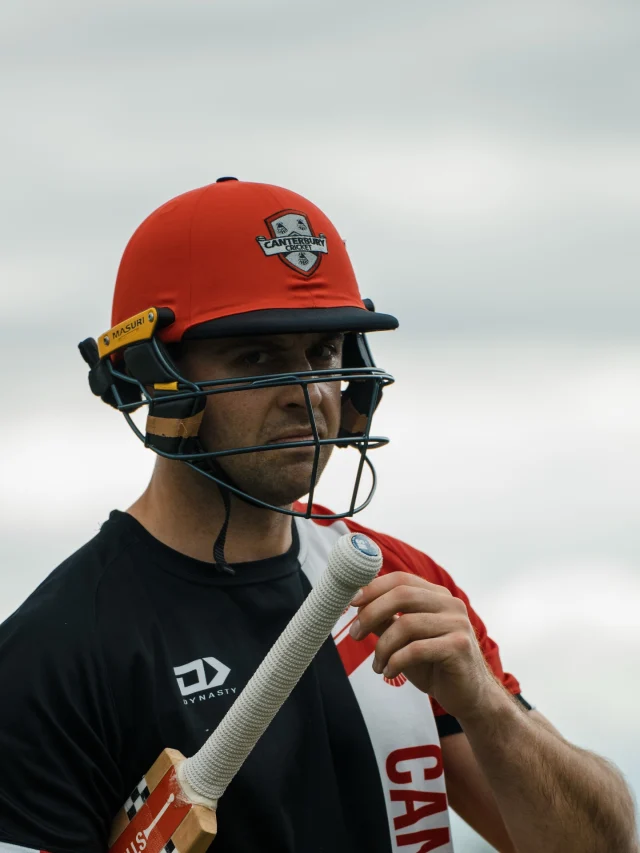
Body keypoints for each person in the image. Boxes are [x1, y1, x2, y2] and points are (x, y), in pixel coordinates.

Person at [0, 178, 636, 853]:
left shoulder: (399, 582)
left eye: (325, 353)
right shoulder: (54, 658)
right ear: (154, 375)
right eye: (256, 357)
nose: (307, 393)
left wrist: (485, 706)